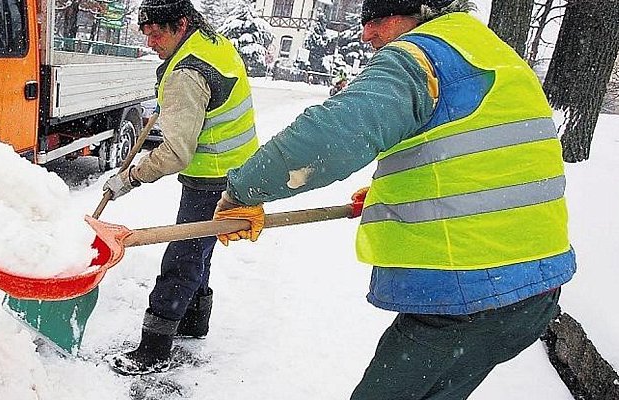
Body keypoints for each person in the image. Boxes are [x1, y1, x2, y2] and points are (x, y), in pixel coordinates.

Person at [212, 0, 577, 398]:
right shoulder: (492, 52)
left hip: (470, 293)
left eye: (379, 18)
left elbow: (332, 138)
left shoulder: (422, 55)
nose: (367, 33)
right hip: (533, 292)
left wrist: (242, 192)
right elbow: (494, 158)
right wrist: (401, 189)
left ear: (419, 10)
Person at [102, 0, 259, 375]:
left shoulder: (186, 73)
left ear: (181, 24)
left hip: (213, 176)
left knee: (183, 256)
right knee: (198, 247)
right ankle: (193, 321)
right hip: (236, 168)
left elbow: (175, 153)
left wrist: (130, 177)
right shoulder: (210, 43)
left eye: (158, 34)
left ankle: (153, 349)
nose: (151, 42)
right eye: (146, 34)